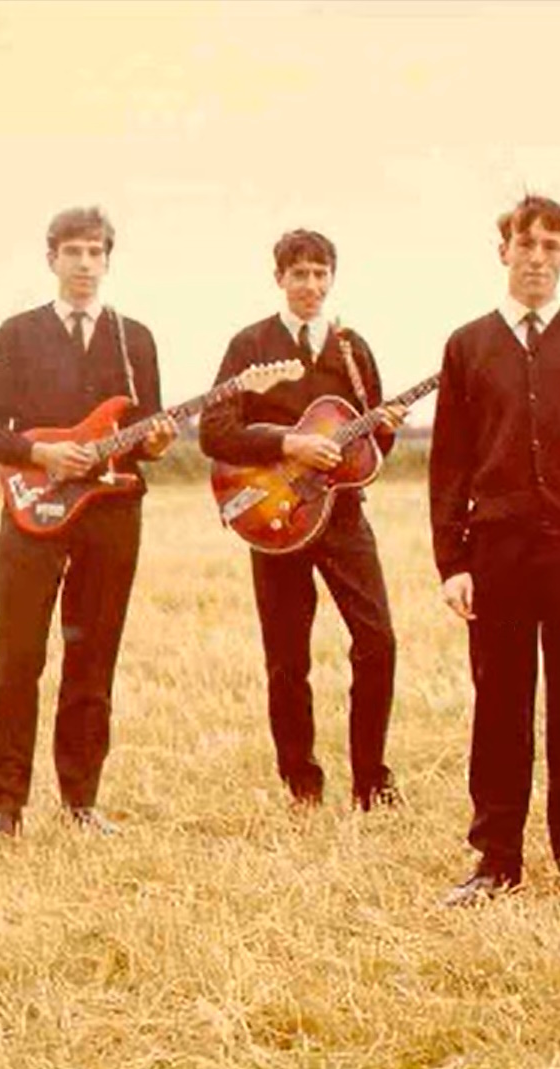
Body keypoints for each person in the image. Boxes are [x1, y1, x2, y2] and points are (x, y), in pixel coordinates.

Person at [429, 194, 560, 905]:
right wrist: (453, 564)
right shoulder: (467, 346)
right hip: (498, 555)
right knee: (500, 713)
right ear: (504, 252)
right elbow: (448, 466)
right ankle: (496, 862)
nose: (538, 258)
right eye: (527, 244)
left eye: (552, 246)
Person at [0, 205, 177, 837]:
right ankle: (5, 806)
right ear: (51, 259)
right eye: (74, 252)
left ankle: (81, 801)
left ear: (108, 261)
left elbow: (146, 434)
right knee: (19, 657)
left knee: (94, 658)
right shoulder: (17, 334)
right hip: (32, 511)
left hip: (111, 514)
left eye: (95, 252)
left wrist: (157, 443)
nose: (85, 263)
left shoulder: (134, 338)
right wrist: (41, 454)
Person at [200, 229, 404, 812]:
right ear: (279, 279)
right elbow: (214, 432)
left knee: (378, 642)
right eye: (299, 274)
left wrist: (384, 427)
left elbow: (369, 447)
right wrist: (288, 444)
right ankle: (301, 784)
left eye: (320, 274)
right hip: (276, 519)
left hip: (342, 517)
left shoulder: (351, 348)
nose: (311, 285)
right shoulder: (249, 344)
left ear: (332, 278)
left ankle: (371, 782)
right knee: (287, 659)